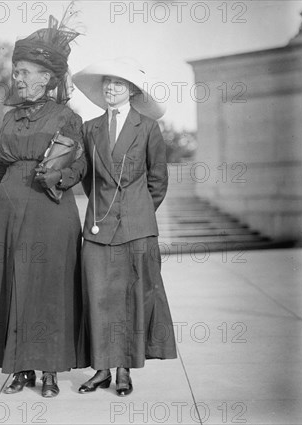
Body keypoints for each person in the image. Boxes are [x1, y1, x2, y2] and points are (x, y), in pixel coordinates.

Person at [0, 15, 87, 398]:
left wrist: (60, 179)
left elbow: (80, 165)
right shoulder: (9, 117)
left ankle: (50, 369)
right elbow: (0, 168)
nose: (18, 79)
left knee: (49, 287)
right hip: (7, 213)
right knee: (9, 285)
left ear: (49, 78)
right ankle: (19, 368)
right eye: (16, 71)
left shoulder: (66, 116)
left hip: (51, 211)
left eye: (27, 72)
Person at [72, 58, 177, 396]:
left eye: (119, 83)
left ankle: (123, 371)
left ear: (132, 89)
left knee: (131, 300)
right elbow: (89, 182)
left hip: (137, 228)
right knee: (98, 298)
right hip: (99, 229)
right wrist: (105, 211)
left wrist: (136, 211)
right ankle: (100, 369)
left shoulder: (147, 127)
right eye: (107, 83)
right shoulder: (90, 128)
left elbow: (158, 180)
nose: (111, 88)